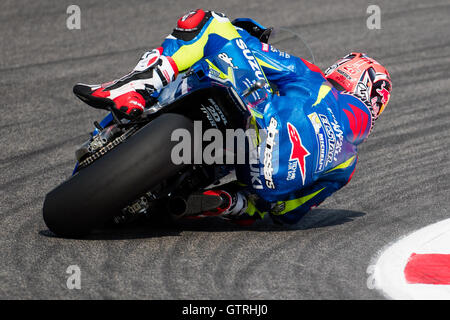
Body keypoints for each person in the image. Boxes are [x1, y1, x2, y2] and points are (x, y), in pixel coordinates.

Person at [74, 9, 392, 225]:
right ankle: (218, 200)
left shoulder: (315, 81)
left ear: (347, 73)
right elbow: (288, 212)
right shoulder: (346, 167)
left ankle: (135, 87)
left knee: (209, 23)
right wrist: (241, 201)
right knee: (254, 183)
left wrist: (245, 35)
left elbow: (252, 53)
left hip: (262, 124)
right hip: (264, 177)